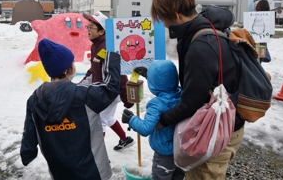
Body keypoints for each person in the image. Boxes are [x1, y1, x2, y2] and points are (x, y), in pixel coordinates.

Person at [150, 0, 244, 180]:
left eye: (163, 19)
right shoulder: (205, 29)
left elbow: (191, 101)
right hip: (222, 121)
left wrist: (161, 121)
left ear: (175, 14)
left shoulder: (200, 45)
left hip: (214, 130)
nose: (164, 25)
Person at [20, 38, 121, 180]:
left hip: (59, 172)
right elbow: (110, 89)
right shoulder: (84, 95)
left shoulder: (34, 100)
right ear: (67, 70)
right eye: (72, 63)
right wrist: (112, 58)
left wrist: (27, 152)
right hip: (92, 171)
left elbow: (29, 132)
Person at [122, 60, 185, 180]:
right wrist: (149, 75)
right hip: (180, 150)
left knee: (161, 177)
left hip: (164, 154)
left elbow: (146, 129)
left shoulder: (156, 104)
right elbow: (166, 82)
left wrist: (131, 119)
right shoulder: (181, 94)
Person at [82, 11, 134, 151]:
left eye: (91, 27)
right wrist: (81, 84)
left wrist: (126, 98)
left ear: (101, 31)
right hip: (102, 90)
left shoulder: (107, 47)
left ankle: (97, 155)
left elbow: (119, 75)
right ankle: (125, 139)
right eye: (88, 26)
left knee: (100, 121)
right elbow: (94, 69)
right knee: (108, 118)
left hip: (110, 91)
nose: (87, 30)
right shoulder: (96, 45)